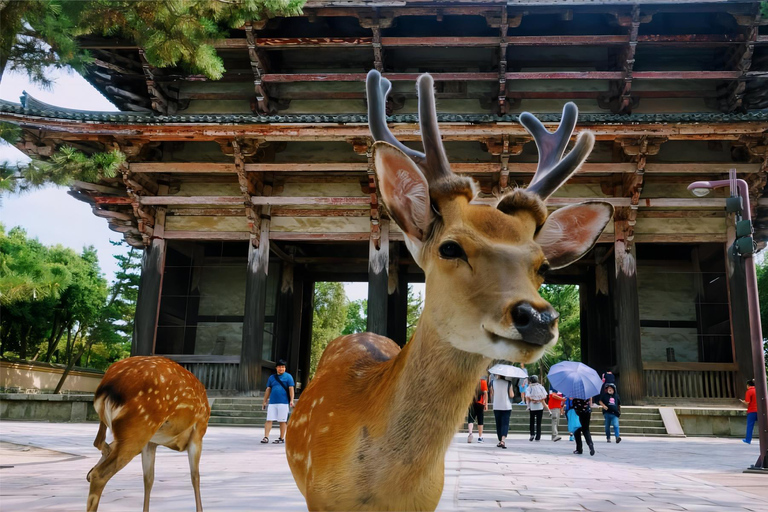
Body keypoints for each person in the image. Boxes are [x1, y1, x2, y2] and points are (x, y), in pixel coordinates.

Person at [261, 359, 294, 444]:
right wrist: (264, 401)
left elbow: (291, 389)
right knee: (269, 420)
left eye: (283, 367)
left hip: (283, 402)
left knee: (282, 421)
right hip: (272, 402)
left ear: (285, 368)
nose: (281, 368)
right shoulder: (272, 377)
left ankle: (281, 438)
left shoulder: (288, 377)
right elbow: (268, 389)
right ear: (276, 368)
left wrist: (291, 400)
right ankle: (266, 437)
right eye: (279, 367)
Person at [490, 375, 514, 449]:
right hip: (506, 406)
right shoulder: (509, 383)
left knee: (498, 423)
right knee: (505, 423)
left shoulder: (492, 382)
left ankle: (500, 440)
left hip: (496, 405)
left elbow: (491, 394)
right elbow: (511, 395)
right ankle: (503, 440)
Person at [526, 375, 548, 441]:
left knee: (532, 421)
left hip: (532, 406)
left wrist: (533, 399)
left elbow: (527, 396)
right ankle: (538, 436)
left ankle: (532, 434)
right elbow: (545, 396)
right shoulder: (540, 387)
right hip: (540, 406)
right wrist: (539, 400)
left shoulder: (529, 387)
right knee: (539, 422)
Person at [467, 377, 488, 443]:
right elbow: (485, 393)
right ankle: (480, 437)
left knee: (471, 419)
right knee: (480, 420)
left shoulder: (471, 381)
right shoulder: (483, 381)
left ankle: (470, 433)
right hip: (480, 403)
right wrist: (486, 404)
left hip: (472, 402)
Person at [740, 379, 757, 444]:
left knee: (750, 425)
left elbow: (747, 402)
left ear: (748, 385)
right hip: (760, 411)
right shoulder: (758, 390)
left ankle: (748, 439)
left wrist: (743, 402)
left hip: (752, 411)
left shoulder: (749, 391)